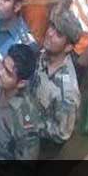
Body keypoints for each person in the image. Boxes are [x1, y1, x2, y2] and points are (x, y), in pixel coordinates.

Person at [31, 9, 81, 154]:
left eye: (58, 34)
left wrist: (32, 124)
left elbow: (62, 133)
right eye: (52, 26)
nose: (50, 33)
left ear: (68, 47)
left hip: (39, 148)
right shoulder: (43, 55)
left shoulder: (67, 92)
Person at [0, 45, 41, 162]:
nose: (0, 72)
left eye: (8, 73)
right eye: (2, 64)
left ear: (21, 83)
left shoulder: (25, 120)